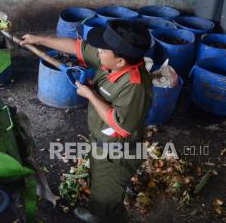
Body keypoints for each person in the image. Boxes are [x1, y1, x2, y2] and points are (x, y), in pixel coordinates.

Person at [21, 20, 152, 222]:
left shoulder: (135, 87)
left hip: (117, 154)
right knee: (98, 186)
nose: (98, 51)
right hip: (101, 144)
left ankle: (105, 217)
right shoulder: (109, 60)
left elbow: (121, 127)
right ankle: (96, 214)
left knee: (108, 202)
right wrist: (39, 39)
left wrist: (90, 95)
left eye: (103, 50)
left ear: (120, 62)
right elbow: (77, 47)